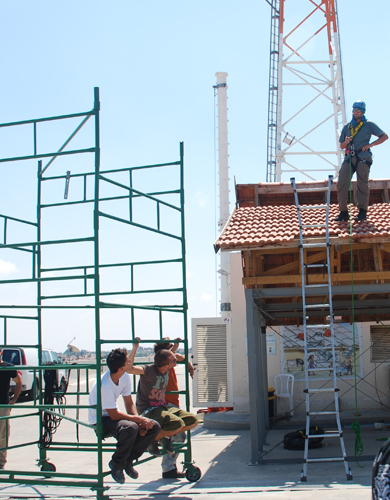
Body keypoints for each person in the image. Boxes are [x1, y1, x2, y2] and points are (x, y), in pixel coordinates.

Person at [88, 348, 160, 484]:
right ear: (121, 368)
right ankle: (116, 464)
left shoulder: (124, 376)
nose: (130, 362)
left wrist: (141, 421)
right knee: (130, 428)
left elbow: (129, 403)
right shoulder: (105, 384)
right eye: (128, 361)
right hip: (100, 419)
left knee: (154, 426)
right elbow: (114, 415)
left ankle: (128, 461)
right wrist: (137, 420)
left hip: (112, 415)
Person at [128, 346, 198, 462]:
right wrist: (135, 348)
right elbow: (129, 369)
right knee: (177, 423)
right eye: (173, 361)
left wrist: (188, 363)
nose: (176, 361)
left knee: (192, 420)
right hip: (148, 410)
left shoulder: (167, 367)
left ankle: (158, 437)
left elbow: (178, 356)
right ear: (166, 365)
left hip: (162, 407)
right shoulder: (149, 370)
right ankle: (151, 439)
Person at [335, 101, 388, 222]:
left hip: (363, 157)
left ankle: (362, 211)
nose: (355, 113)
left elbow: (384, 136)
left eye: (358, 111)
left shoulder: (368, 124)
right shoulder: (348, 127)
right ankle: (343, 212)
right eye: (354, 110)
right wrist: (346, 142)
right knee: (341, 183)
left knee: (362, 184)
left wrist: (371, 145)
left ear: (362, 112)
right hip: (349, 157)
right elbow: (342, 146)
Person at [152, 338, 194, 479]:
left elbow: (179, 357)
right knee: (178, 434)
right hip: (167, 404)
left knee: (176, 435)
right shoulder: (162, 365)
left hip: (172, 403)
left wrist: (186, 361)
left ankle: (169, 466)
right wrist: (174, 351)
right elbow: (175, 357)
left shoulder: (169, 361)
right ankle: (168, 466)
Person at [0, 348, 22, 469]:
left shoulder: (8, 367)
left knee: (2, 434)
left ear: (1, 353)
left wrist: (14, 400)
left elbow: (19, 382)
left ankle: (1, 461)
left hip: (3, 404)